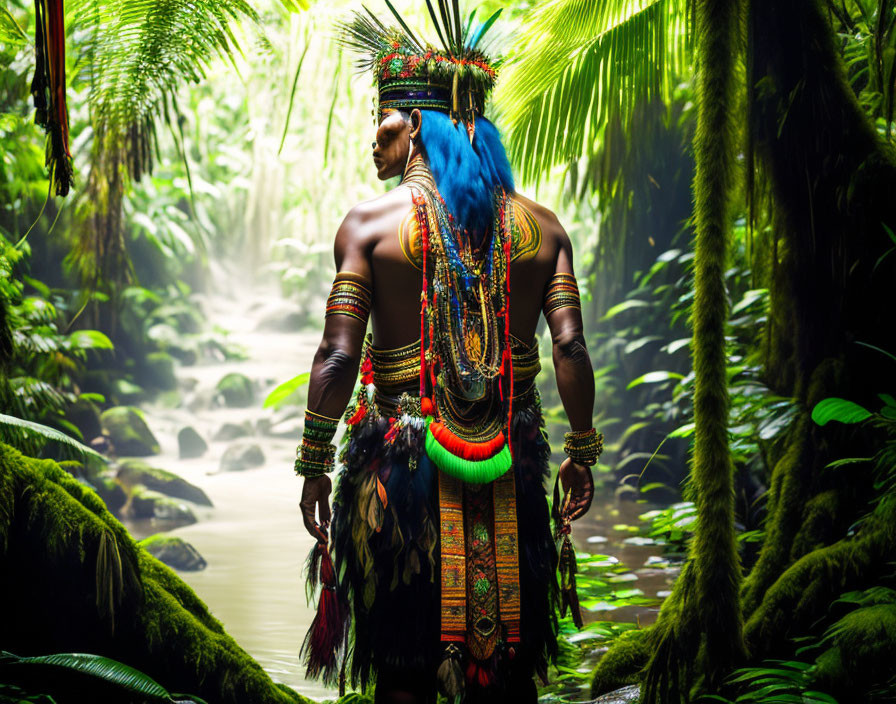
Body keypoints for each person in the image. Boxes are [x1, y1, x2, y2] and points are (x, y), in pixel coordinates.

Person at [294, 4, 602, 703]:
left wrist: (313, 464)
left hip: (397, 474)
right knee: (507, 673)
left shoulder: (370, 228)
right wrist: (581, 451)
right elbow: (571, 345)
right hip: (512, 467)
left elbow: (339, 359)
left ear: (418, 129)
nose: (374, 143)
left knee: (403, 673)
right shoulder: (542, 229)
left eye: (384, 126)